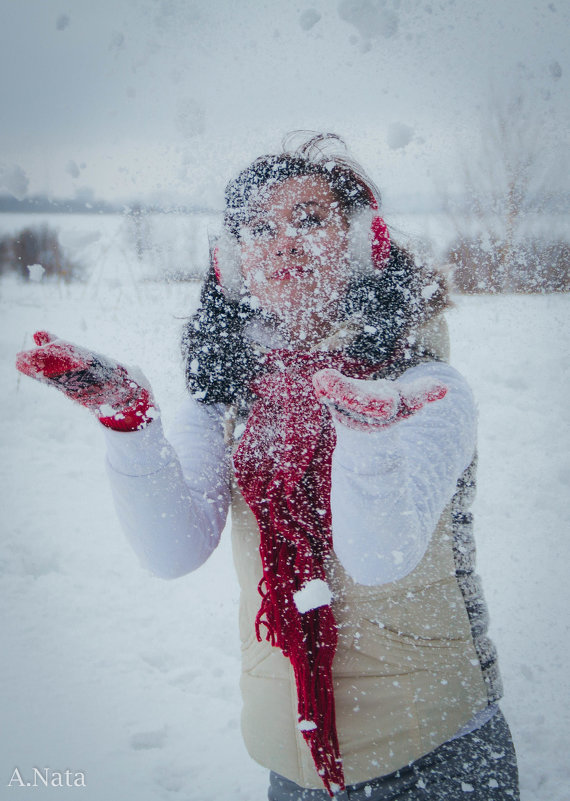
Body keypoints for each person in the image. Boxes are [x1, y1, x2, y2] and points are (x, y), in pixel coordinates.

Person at [15, 133, 520, 800]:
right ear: (232, 263)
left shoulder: (427, 387)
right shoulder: (227, 401)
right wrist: (129, 421)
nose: (283, 241)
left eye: (310, 219)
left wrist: (364, 433)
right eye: (258, 227)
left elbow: (380, 553)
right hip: (293, 768)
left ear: (365, 243)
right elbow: (173, 549)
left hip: (438, 755)